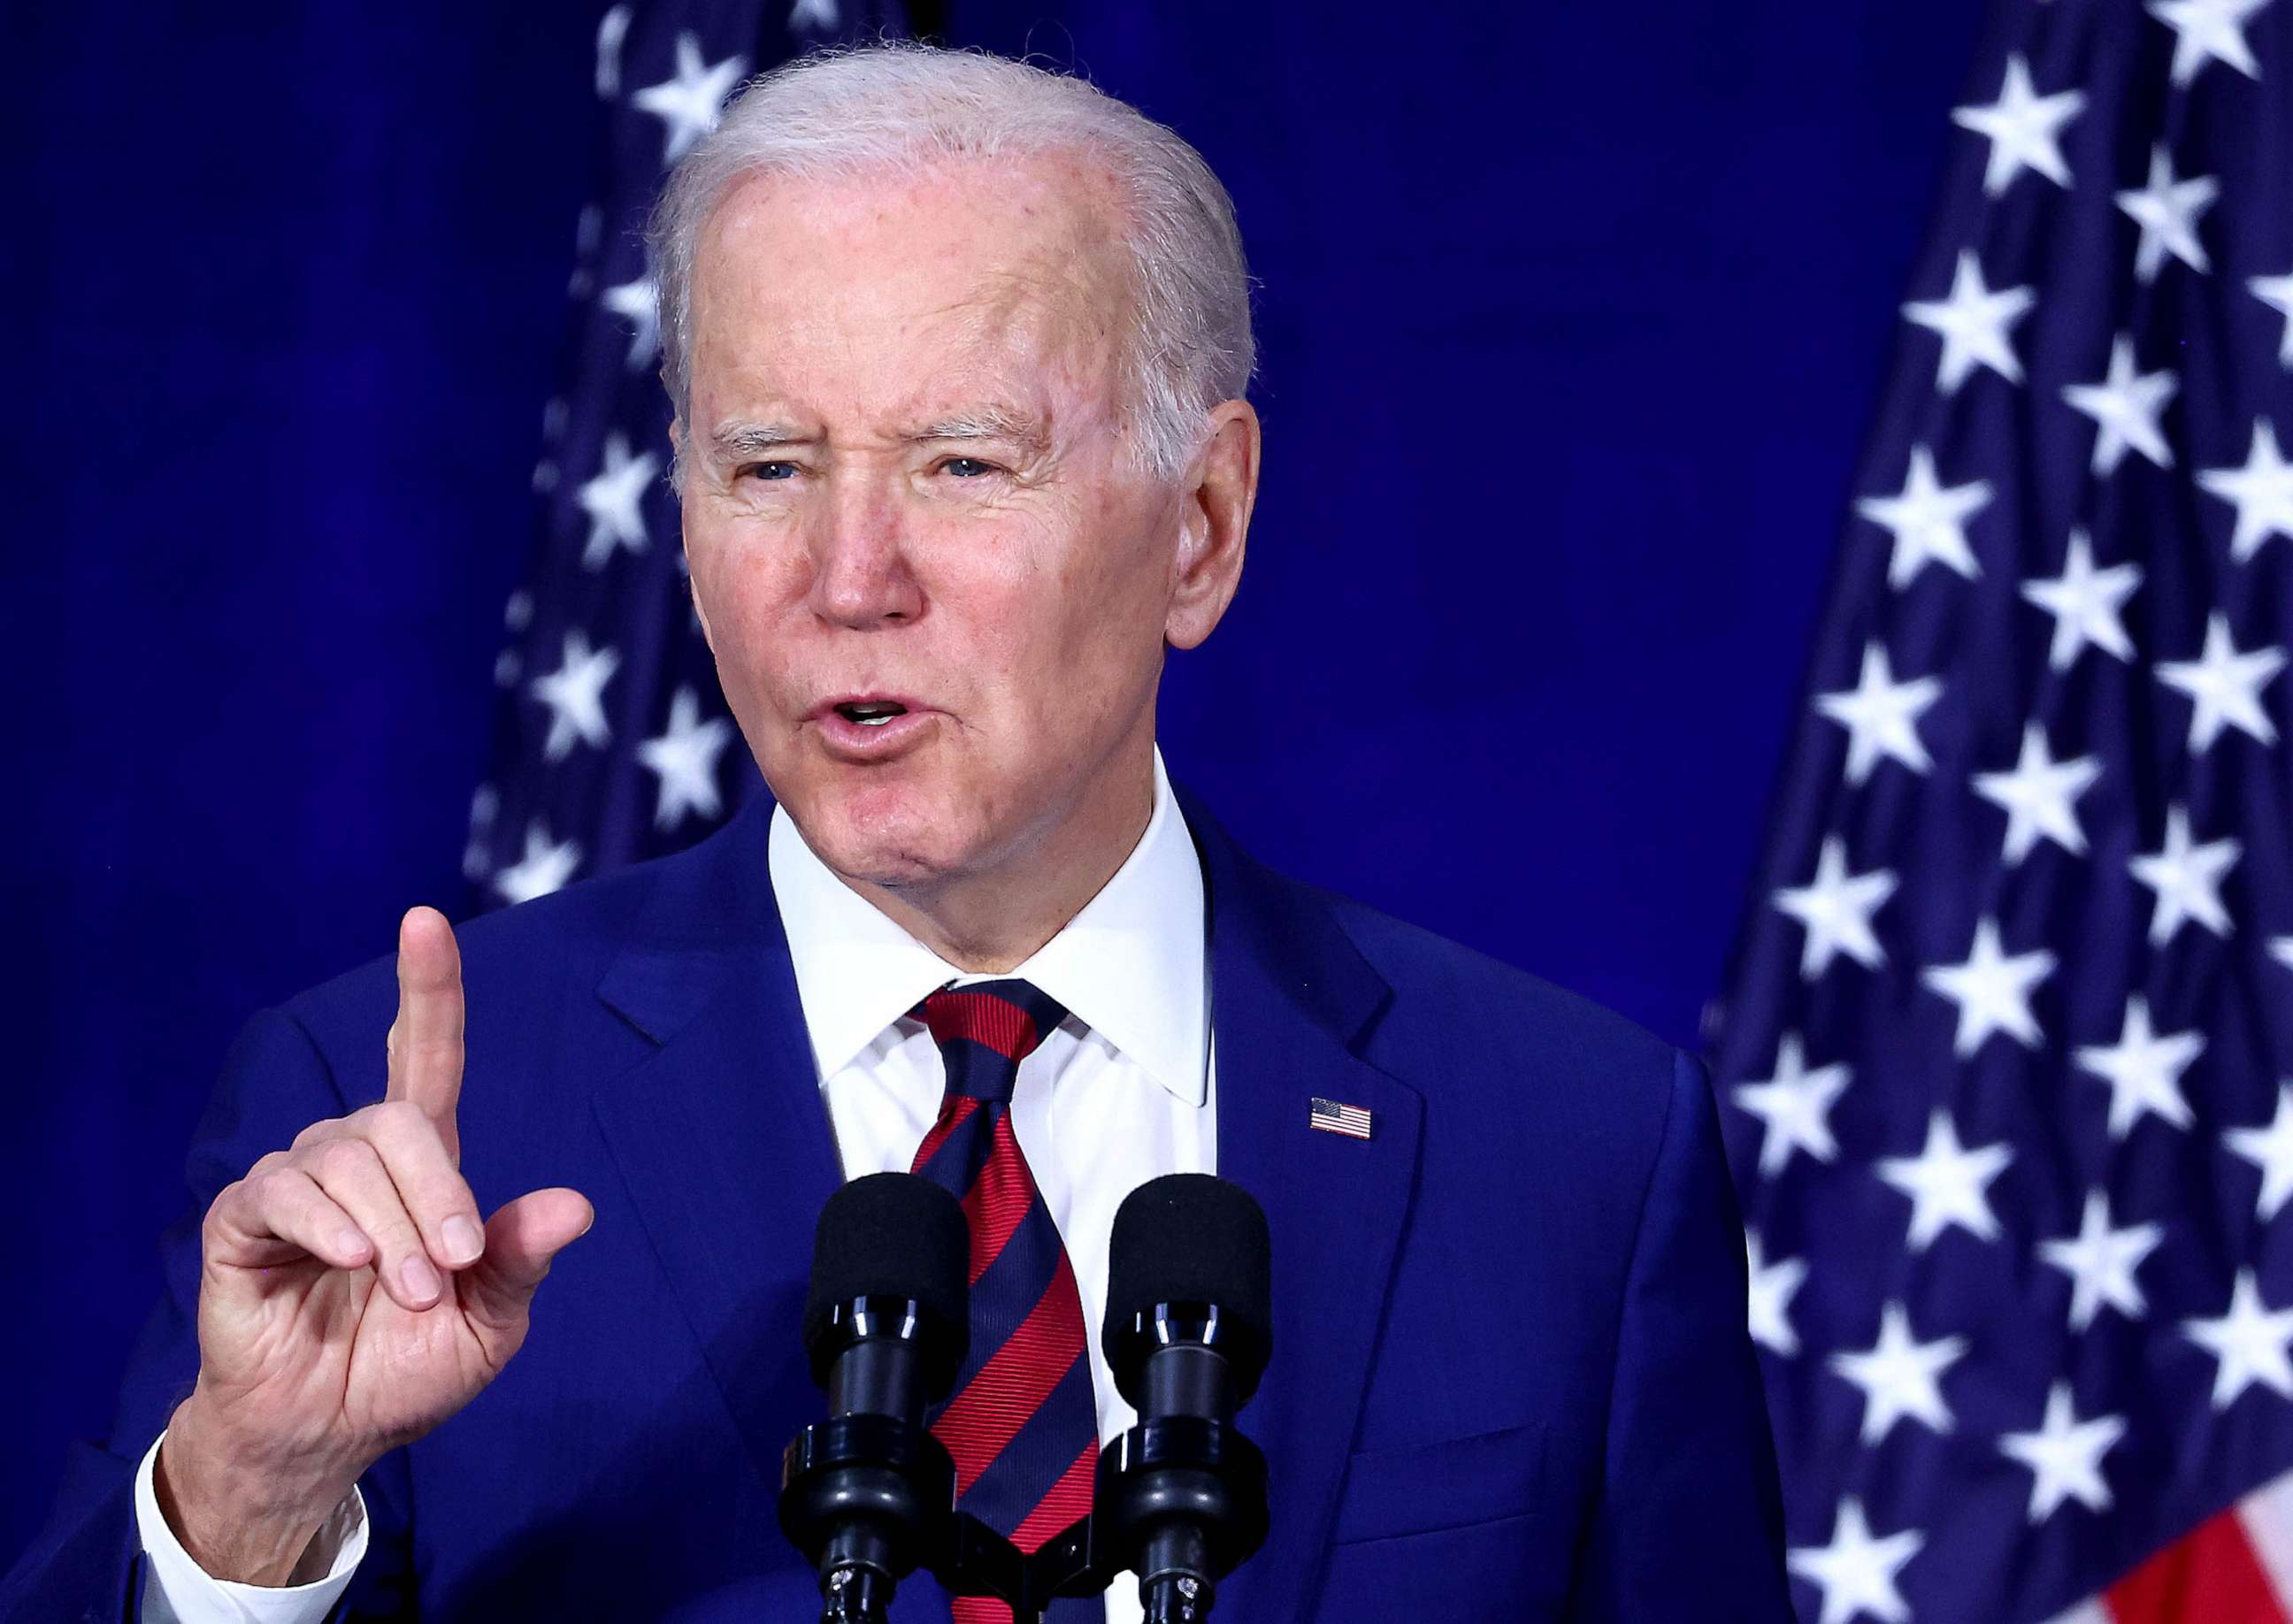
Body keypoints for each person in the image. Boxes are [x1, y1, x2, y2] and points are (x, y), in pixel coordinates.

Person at [0, 40, 1790, 1624]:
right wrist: (250, 1506)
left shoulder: (1565, 1151)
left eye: (964, 464)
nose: (849, 581)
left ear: (1204, 527)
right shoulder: (408, 1140)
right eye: (770, 466)